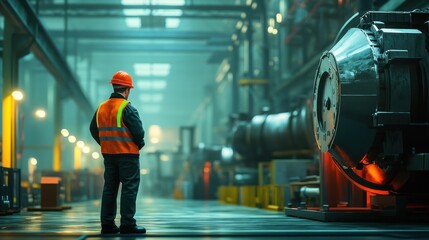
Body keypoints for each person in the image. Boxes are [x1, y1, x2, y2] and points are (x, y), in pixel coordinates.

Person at [89, 70, 146, 234]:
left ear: (114, 87)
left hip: (109, 156)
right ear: (127, 90)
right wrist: (139, 144)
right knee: (129, 188)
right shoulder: (127, 108)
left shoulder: (101, 108)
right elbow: (139, 132)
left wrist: (105, 144)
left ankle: (107, 225)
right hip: (128, 156)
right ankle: (127, 224)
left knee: (110, 188)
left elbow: (93, 129)